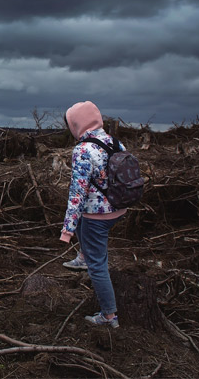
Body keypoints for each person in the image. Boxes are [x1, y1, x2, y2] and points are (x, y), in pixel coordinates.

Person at [59, 101, 126, 328]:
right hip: (119, 208)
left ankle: (109, 316)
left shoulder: (82, 150)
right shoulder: (115, 142)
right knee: (86, 233)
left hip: (97, 216)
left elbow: (77, 193)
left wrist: (67, 230)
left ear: (76, 123)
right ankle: (84, 256)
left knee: (98, 267)